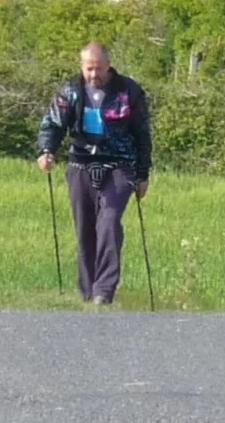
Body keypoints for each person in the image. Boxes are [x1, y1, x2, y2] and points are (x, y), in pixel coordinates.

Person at [36, 42, 154, 306]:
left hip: (119, 167)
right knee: (85, 229)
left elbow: (142, 134)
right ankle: (87, 292)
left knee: (109, 222)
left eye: (98, 68)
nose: (93, 74)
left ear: (108, 65)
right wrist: (47, 151)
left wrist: (143, 174)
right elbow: (53, 124)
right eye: (89, 68)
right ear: (82, 66)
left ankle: (104, 291)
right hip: (80, 165)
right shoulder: (70, 90)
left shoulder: (129, 91)